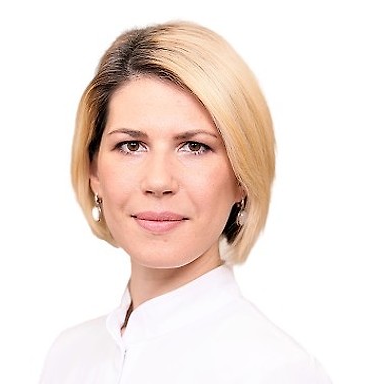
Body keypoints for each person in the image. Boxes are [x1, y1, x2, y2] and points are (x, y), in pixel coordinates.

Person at [40, 20, 332, 383]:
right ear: (93, 170)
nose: (158, 181)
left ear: (242, 176)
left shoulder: (279, 371)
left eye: (194, 146)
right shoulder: (69, 356)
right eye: (131, 145)